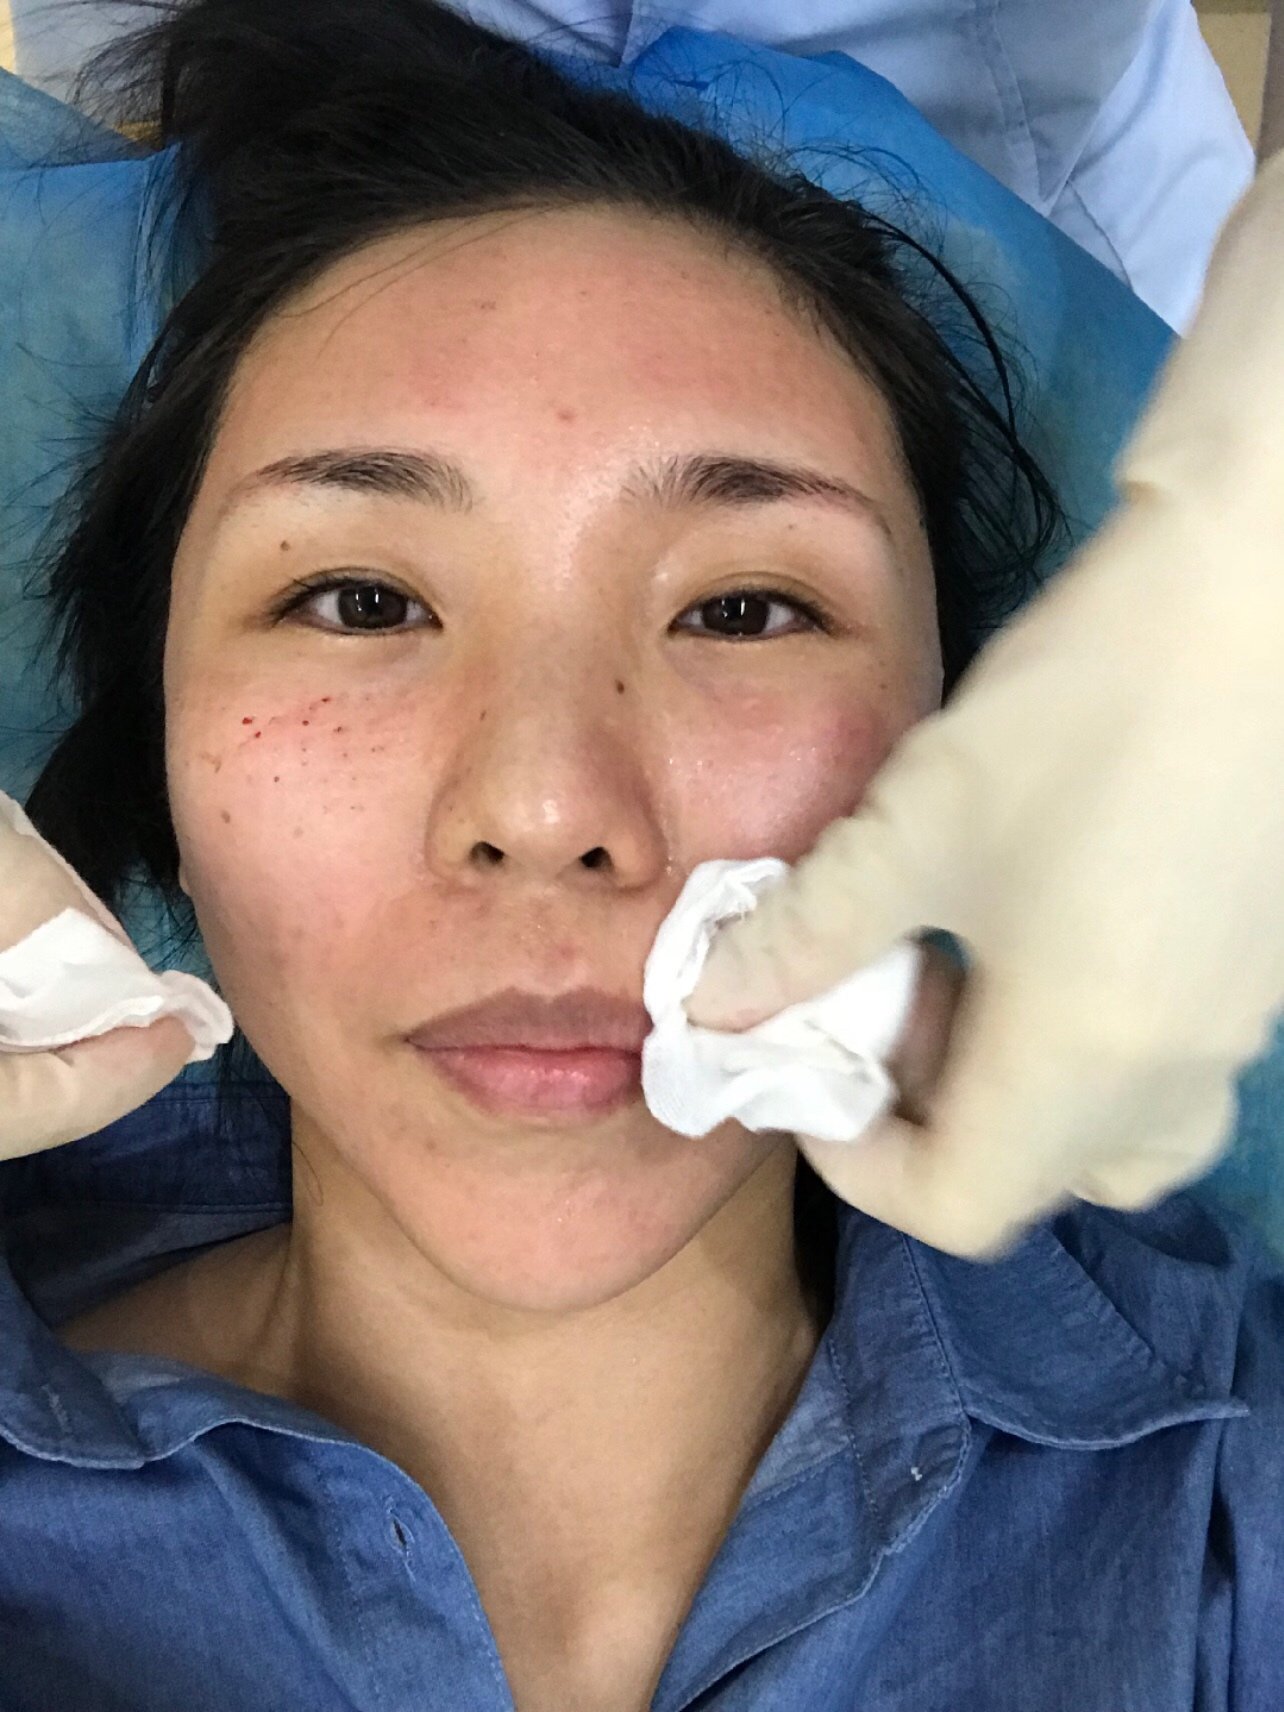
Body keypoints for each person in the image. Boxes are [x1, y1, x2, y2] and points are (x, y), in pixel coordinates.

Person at [1, 2, 1282, 1707]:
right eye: (360, 600)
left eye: (744, 610)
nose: (546, 807)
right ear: (159, 744)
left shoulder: (1224, 1490)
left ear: (972, 732)